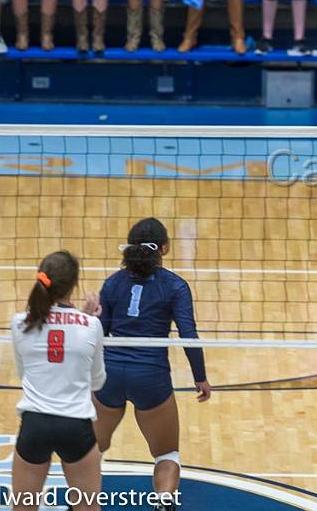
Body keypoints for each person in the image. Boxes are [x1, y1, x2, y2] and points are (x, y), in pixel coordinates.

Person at [93, 218, 211, 511]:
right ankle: (163, 503)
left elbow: (97, 332)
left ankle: (81, 503)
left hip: (109, 374)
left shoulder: (113, 282)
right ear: (165, 248)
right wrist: (200, 377)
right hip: (151, 377)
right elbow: (188, 335)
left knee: (92, 450)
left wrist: (88, 375)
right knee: (166, 454)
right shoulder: (175, 286)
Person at [11, 251, 106, 511]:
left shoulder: (20, 323)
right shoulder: (91, 325)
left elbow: (24, 375)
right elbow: (97, 382)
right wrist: (85, 319)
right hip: (75, 426)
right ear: (74, 285)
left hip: (35, 425)